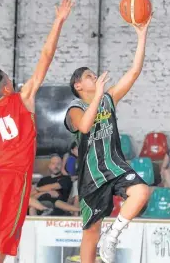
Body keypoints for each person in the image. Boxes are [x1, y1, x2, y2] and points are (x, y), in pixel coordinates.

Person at [64, 16, 152, 263]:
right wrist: (99, 95)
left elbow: (134, 72)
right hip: (91, 176)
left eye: (95, 75)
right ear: (78, 85)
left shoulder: (107, 99)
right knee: (91, 232)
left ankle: (112, 236)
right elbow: (83, 126)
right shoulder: (75, 106)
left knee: (142, 191)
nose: (95, 77)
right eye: (90, 76)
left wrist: (142, 35)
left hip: (114, 165)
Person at [0, 0, 74, 262]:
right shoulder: (21, 98)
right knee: (2, 241)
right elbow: (45, 57)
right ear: (7, 86)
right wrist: (58, 21)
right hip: (12, 179)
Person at [62, 142, 79, 216]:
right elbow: (63, 170)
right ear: (72, 150)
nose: (79, 150)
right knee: (76, 189)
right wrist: (70, 177)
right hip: (68, 180)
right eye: (77, 149)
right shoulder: (70, 158)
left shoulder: (84, 158)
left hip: (78, 181)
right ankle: (75, 213)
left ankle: (71, 211)